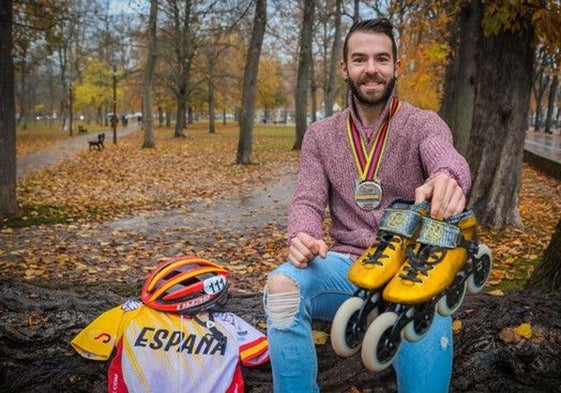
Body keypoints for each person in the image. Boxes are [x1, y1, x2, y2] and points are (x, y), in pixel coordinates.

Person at [263, 17, 471, 393]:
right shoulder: (320, 135)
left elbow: (446, 158)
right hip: (350, 266)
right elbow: (307, 200)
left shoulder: (423, 124)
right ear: (344, 68)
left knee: (423, 328)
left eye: (381, 59)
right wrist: (303, 235)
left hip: (415, 267)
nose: (371, 69)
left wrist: (448, 178)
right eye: (360, 59)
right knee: (282, 285)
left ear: (396, 67)